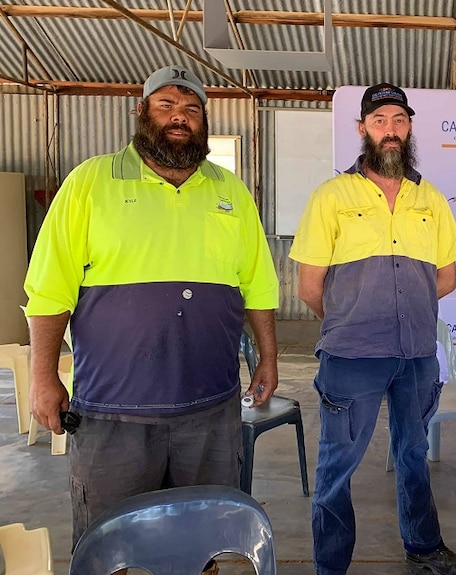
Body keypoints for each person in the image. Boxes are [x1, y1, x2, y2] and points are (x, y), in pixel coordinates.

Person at [24, 65, 280, 573]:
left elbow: (258, 286)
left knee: (202, 540)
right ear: (141, 112)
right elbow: (49, 288)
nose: (179, 118)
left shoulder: (230, 191)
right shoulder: (90, 182)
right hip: (114, 411)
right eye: (166, 106)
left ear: (203, 121)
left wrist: (268, 359)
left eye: (190, 109)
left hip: (210, 410)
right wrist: (42, 376)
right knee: (110, 546)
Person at [289, 83, 456, 575]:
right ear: (362, 130)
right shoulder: (332, 196)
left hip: (415, 354)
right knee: (337, 466)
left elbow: (447, 276)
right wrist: (354, 320)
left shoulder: (429, 197)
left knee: (414, 454)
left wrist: (403, 311)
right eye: (379, 121)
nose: (389, 130)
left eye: (398, 120)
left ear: (409, 127)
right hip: (351, 357)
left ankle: (424, 548)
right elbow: (310, 286)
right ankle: (331, 567)